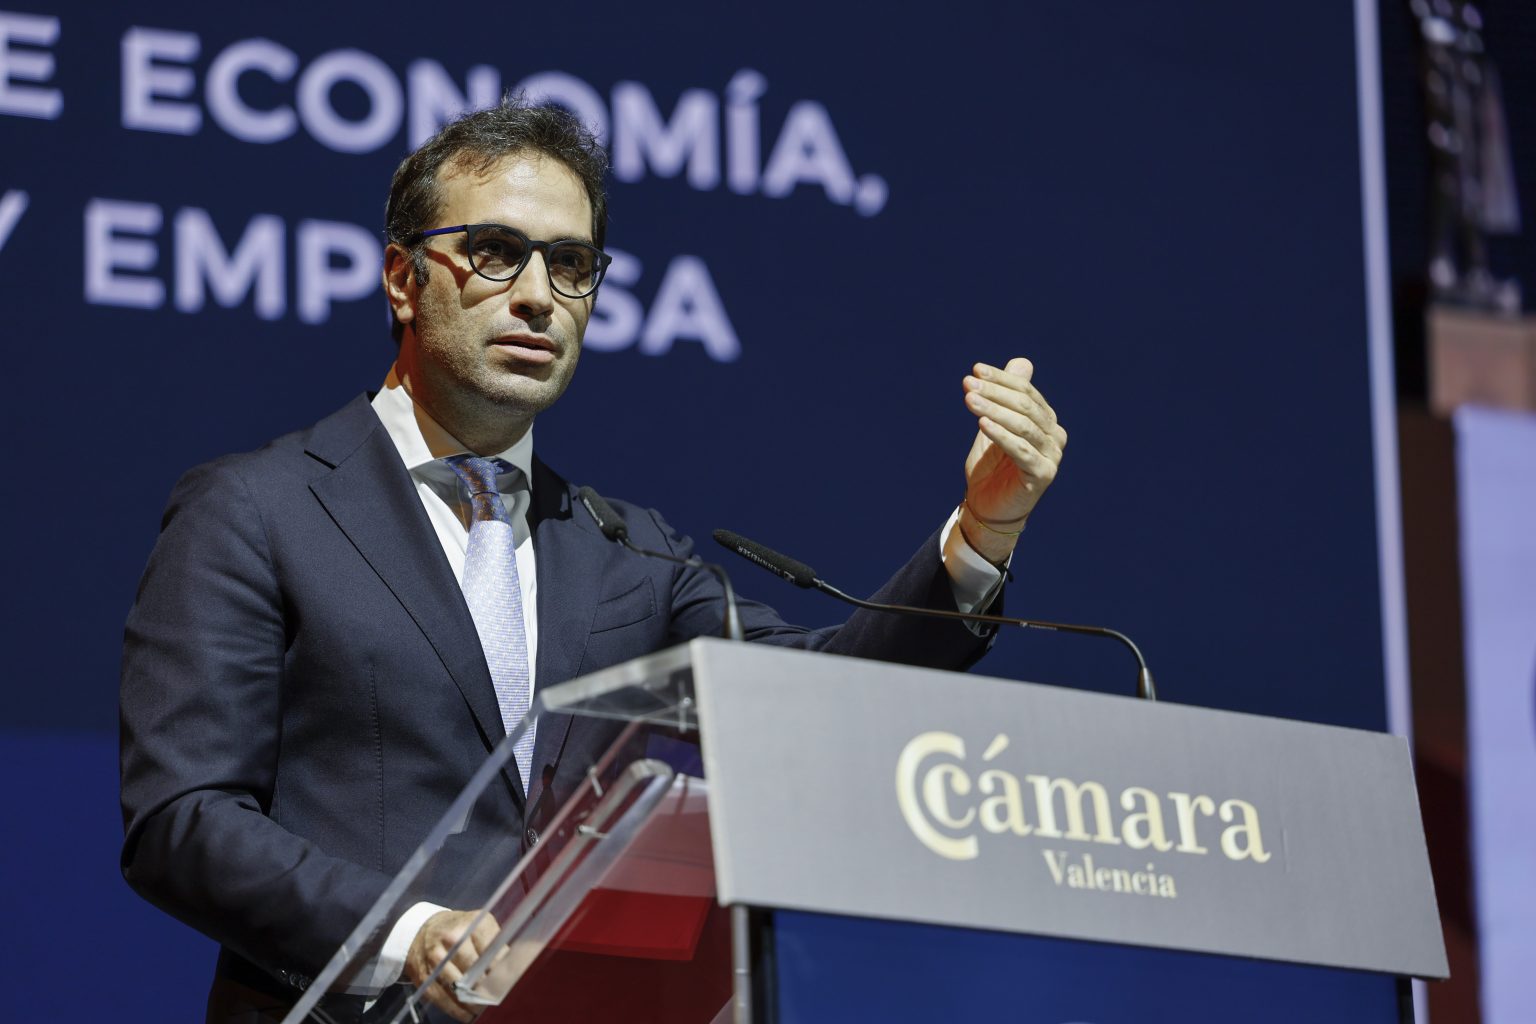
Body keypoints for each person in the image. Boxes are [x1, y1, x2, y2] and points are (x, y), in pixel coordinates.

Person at [119, 98, 1067, 1023]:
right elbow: (181, 820)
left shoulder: (625, 547)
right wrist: (411, 933)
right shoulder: (257, 509)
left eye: (570, 264)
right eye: (496, 252)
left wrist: (981, 533)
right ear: (404, 279)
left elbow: (817, 701)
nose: (538, 295)